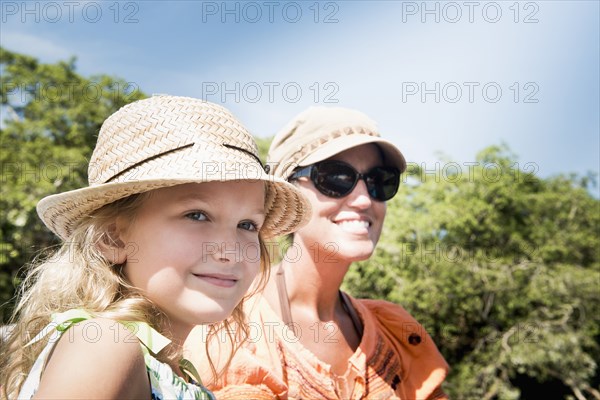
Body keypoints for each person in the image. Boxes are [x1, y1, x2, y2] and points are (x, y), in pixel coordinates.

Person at [0, 95, 310, 400]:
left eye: (247, 225)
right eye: (197, 215)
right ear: (113, 238)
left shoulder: (166, 368)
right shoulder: (105, 345)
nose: (230, 250)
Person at [190, 106, 449, 399]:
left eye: (379, 180)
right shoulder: (230, 325)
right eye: (336, 178)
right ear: (288, 194)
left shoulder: (395, 331)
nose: (364, 199)